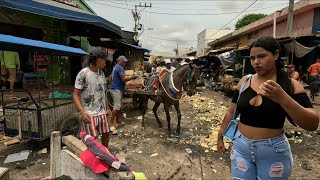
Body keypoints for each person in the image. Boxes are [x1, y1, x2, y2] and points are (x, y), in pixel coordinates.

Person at [217, 36, 319, 179]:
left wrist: (282, 97)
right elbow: (230, 112)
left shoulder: (291, 85)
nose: (256, 62)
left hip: (273, 152)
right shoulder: (244, 82)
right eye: (252, 58)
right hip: (241, 147)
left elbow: (313, 123)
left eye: (262, 56)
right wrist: (220, 135)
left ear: (276, 55)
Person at [73, 49, 112, 148]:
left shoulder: (102, 74)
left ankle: (105, 153)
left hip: (102, 112)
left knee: (106, 133)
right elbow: (75, 94)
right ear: (99, 60)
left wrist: (107, 108)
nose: (105, 62)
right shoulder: (83, 74)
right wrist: (82, 112)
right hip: (89, 113)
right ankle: (92, 158)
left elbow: (103, 93)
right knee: (92, 138)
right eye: (104, 60)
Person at [109, 55, 137, 132]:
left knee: (118, 107)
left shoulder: (115, 67)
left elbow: (110, 77)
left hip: (114, 88)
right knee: (117, 107)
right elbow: (124, 79)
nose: (125, 63)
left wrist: (110, 84)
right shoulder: (120, 68)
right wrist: (132, 77)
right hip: (116, 89)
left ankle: (118, 121)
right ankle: (111, 124)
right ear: (120, 61)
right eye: (124, 62)